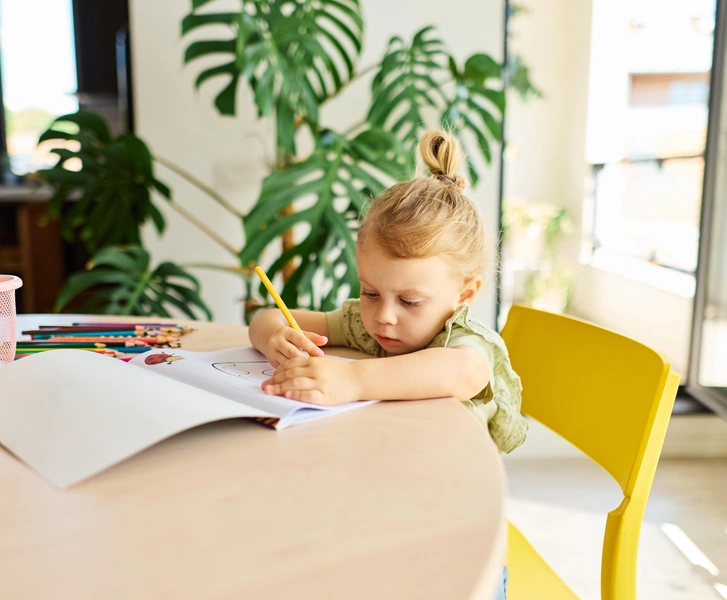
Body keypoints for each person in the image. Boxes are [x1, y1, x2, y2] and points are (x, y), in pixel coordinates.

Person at [250, 128, 525, 598]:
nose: (384, 316)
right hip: (384, 516)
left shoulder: (463, 341)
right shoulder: (368, 324)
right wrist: (276, 336)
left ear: (465, 293)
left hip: (458, 545)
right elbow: (265, 317)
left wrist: (353, 378)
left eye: (410, 301)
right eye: (370, 292)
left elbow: (461, 373)